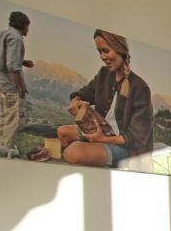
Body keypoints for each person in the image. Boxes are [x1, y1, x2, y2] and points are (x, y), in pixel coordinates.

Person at [57, 29, 153, 167]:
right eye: (99, 52)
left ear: (120, 49)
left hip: (128, 148)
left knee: (73, 153)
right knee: (63, 132)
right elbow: (85, 93)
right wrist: (76, 100)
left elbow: (137, 139)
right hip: (103, 133)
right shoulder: (104, 74)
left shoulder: (140, 87)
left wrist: (102, 139)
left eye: (106, 51)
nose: (102, 57)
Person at [0, 11, 34, 149]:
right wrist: (21, 87)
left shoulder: (2, 34)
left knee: (3, 118)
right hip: (9, 87)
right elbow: (12, 67)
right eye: (28, 26)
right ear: (23, 25)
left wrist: (23, 62)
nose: (28, 30)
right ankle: (7, 151)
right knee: (11, 123)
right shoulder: (16, 39)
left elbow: (5, 58)